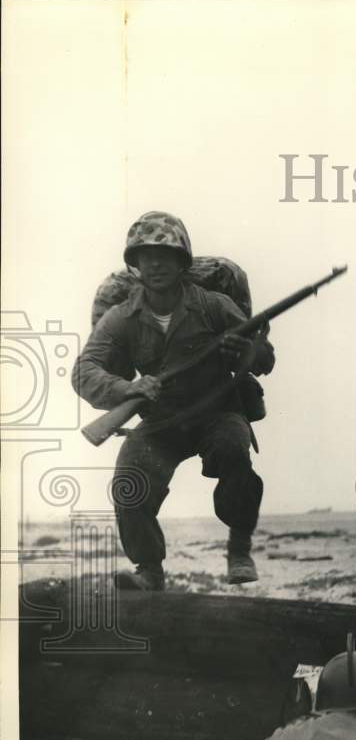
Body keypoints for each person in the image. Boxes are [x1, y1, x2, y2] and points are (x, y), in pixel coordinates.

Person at [72, 211, 275, 590]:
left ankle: (239, 547)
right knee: (129, 483)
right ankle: (149, 570)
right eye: (145, 256)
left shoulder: (213, 305)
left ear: (183, 262)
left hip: (217, 412)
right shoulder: (121, 317)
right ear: (134, 265)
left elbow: (265, 361)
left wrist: (245, 351)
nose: (155, 264)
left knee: (234, 450)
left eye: (165, 255)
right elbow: (84, 371)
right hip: (162, 423)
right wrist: (126, 389)